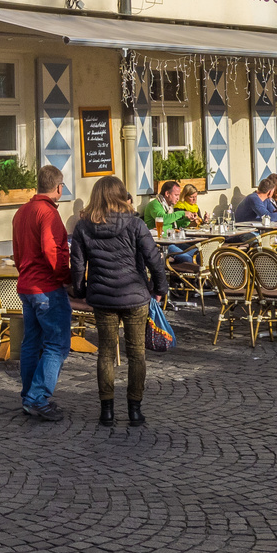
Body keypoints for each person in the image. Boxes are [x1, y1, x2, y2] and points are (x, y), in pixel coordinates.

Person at [70, 175, 168, 428]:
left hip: (102, 296)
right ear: (122, 195)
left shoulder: (83, 226)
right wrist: (160, 289)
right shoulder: (135, 224)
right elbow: (154, 260)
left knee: (105, 353)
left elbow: (78, 265)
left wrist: (80, 290)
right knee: (136, 354)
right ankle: (135, 410)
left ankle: (107, 411)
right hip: (135, 295)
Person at [11, 164, 72, 423]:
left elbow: (16, 251)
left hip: (26, 285)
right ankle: (36, 396)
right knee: (56, 344)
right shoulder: (48, 214)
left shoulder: (21, 212)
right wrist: (65, 278)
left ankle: (29, 395)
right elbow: (52, 251)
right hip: (46, 287)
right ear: (58, 188)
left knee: (31, 343)